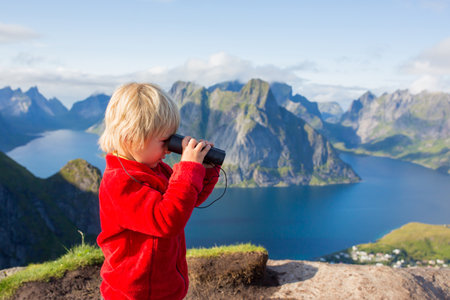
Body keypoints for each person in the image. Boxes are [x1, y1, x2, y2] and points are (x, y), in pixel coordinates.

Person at [97, 83, 220, 300]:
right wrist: (188, 169)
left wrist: (204, 171)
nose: (169, 148)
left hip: (163, 290)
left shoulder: (155, 168)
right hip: (133, 294)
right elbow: (167, 220)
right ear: (131, 138)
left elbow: (186, 200)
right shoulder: (119, 182)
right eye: (165, 141)